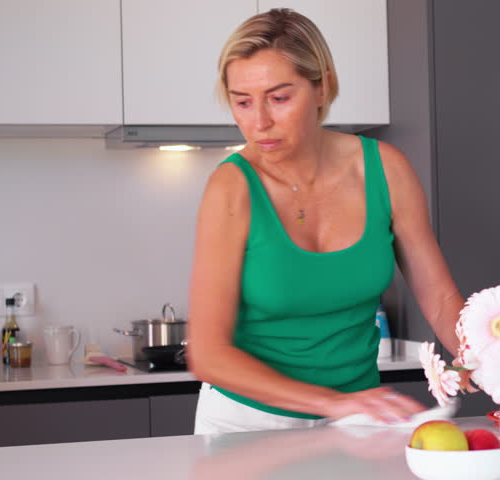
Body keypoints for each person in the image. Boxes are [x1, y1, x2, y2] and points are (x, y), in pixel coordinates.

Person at [187, 7, 464, 436]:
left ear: (323, 87)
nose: (258, 122)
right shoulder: (232, 188)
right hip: (246, 423)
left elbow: (442, 301)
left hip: (357, 422)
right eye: (242, 102)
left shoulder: (385, 170)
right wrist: (334, 403)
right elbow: (207, 353)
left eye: (279, 98)